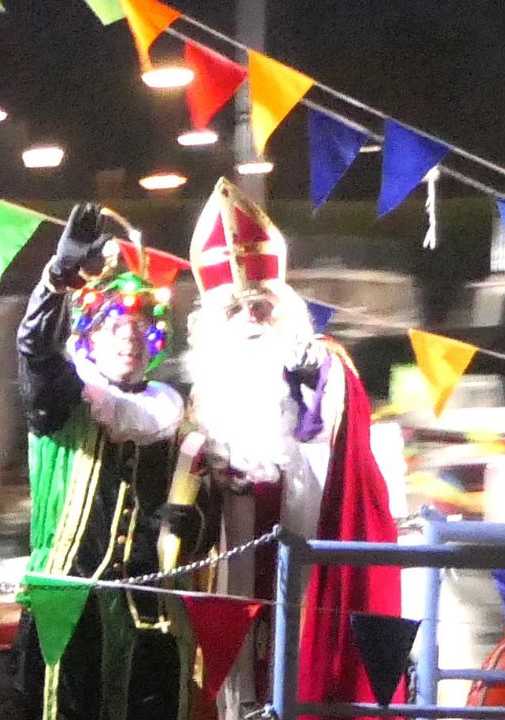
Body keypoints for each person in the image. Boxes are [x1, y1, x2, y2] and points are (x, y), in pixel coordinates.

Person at [165, 181, 402, 716]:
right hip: (232, 574)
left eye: (261, 305)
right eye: (234, 309)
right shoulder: (205, 396)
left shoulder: (320, 366)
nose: (250, 318)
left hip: (307, 562)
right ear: (213, 324)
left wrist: (313, 369)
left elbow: (336, 416)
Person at [10, 205, 194, 720]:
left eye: (140, 328)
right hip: (68, 615)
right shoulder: (66, 398)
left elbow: (194, 509)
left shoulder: (168, 417)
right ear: (91, 336)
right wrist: (58, 278)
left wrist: (186, 525)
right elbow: (34, 350)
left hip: (148, 615)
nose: (130, 338)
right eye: (116, 326)